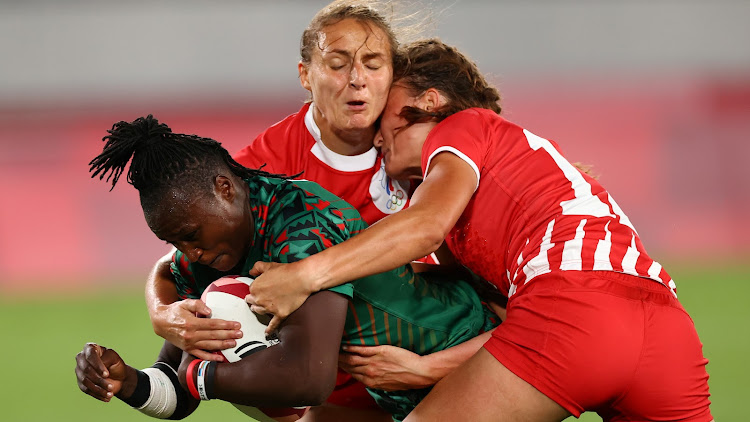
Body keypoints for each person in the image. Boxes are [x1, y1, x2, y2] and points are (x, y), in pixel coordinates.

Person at [243, 39, 714, 422]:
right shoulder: (510, 196)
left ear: (429, 102)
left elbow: (423, 228)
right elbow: (511, 326)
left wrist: (304, 276)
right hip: (665, 331)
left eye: (390, 111)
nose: (379, 133)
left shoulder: (462, 127)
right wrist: (426, 367)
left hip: (574, 314)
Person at [76, 115, 499, 422]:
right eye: (175, 242)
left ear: (224, 189)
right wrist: (126, 381)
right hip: (405, 399)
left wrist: (197, 376)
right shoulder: (212, 247)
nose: (190, 252)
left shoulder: (299, 223)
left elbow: (306, 381)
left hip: (471, 359)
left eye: (190, 234)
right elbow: (176, 387)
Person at [142, 1, 433, 417]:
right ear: (306, 76)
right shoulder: (262, 169)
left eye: (373, 63)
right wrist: (162, 314)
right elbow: (180, 259)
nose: (357, 80)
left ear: (392, 73)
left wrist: (429, 365)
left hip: (429, 350)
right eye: (337, 64)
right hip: (321, 380)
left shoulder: (424, 138)